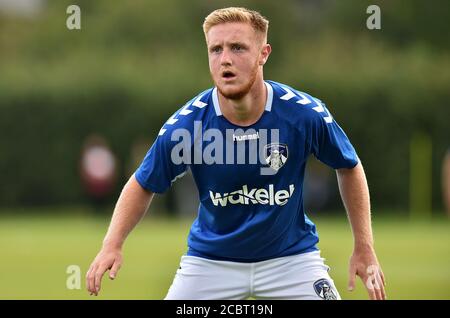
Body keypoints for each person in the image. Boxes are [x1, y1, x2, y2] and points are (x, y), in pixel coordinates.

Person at [86, 7, 386, 300]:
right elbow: (143, 183)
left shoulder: (304, 114)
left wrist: (364, 246)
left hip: (291, 260)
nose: (225, 59)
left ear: (263, 54)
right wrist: (112, 244)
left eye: (238, 48)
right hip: (210, 262)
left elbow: (349, 166)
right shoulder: (187, 125)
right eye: (216, 50)